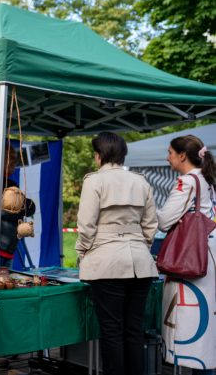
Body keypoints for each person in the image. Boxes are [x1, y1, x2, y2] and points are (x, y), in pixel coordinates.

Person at [76, 132, 158, 375]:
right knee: (134, 331)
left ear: (99, 156)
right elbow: (151, 225)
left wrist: (84, 253)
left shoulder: (94, 181)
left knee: (112, 331)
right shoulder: (141, 181)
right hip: (141, 263)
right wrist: (140, 246)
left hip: (107, 262)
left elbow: (86, 226)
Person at [156, 135, 216, 374]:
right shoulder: (209, 180)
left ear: (182, 155)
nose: (167, 157)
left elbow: (164, 220)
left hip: (192, 259)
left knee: (190, 328)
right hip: (209, 254)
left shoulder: (187, 181)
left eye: (170, 152)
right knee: (208, 335)